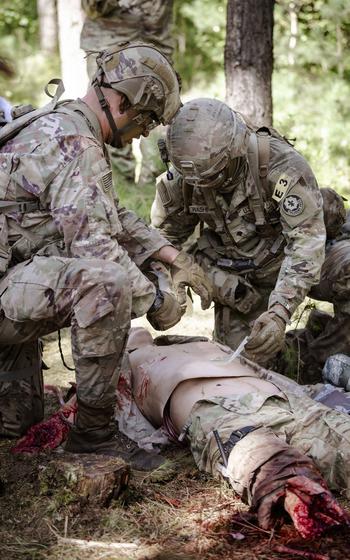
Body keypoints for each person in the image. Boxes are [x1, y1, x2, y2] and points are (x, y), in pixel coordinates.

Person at [0, 43, 212, 462]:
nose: (147, 131)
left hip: (10, 279)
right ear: (123, 102)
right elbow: (98, 250)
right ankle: (94, 437)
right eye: (147, 118)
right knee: (105, 283)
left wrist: (172, 256)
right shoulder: (74, 143)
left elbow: (109, 213)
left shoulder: (61, 125)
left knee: (18, 421)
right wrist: (155, 301)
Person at [151, 98, 349, 373]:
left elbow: (306, 242)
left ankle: (323, 356)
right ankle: (306, 341)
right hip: (241, 282)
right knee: (243, 372)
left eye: (216, 175)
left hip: (292, 259)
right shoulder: (183, 178)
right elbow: (161, 240)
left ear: (235, 151)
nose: (206, 186)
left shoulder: (279, 164)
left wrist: (280, 311)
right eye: (198, 180)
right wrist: (167, 286)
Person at [116, 327, 350, 538]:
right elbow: (101, 412)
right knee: (281, 476)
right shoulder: (119, 366)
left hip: (283, 401)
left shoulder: (200, 343)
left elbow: (262, 372)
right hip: (221, 412)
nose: (133, 328)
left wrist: (307, 394)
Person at [80, 0, 174, 184]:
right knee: (110, 112)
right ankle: (119, 181)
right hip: (111, 42)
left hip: (154, 41)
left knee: (157, 112)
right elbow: (94, 6)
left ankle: (153, 181)